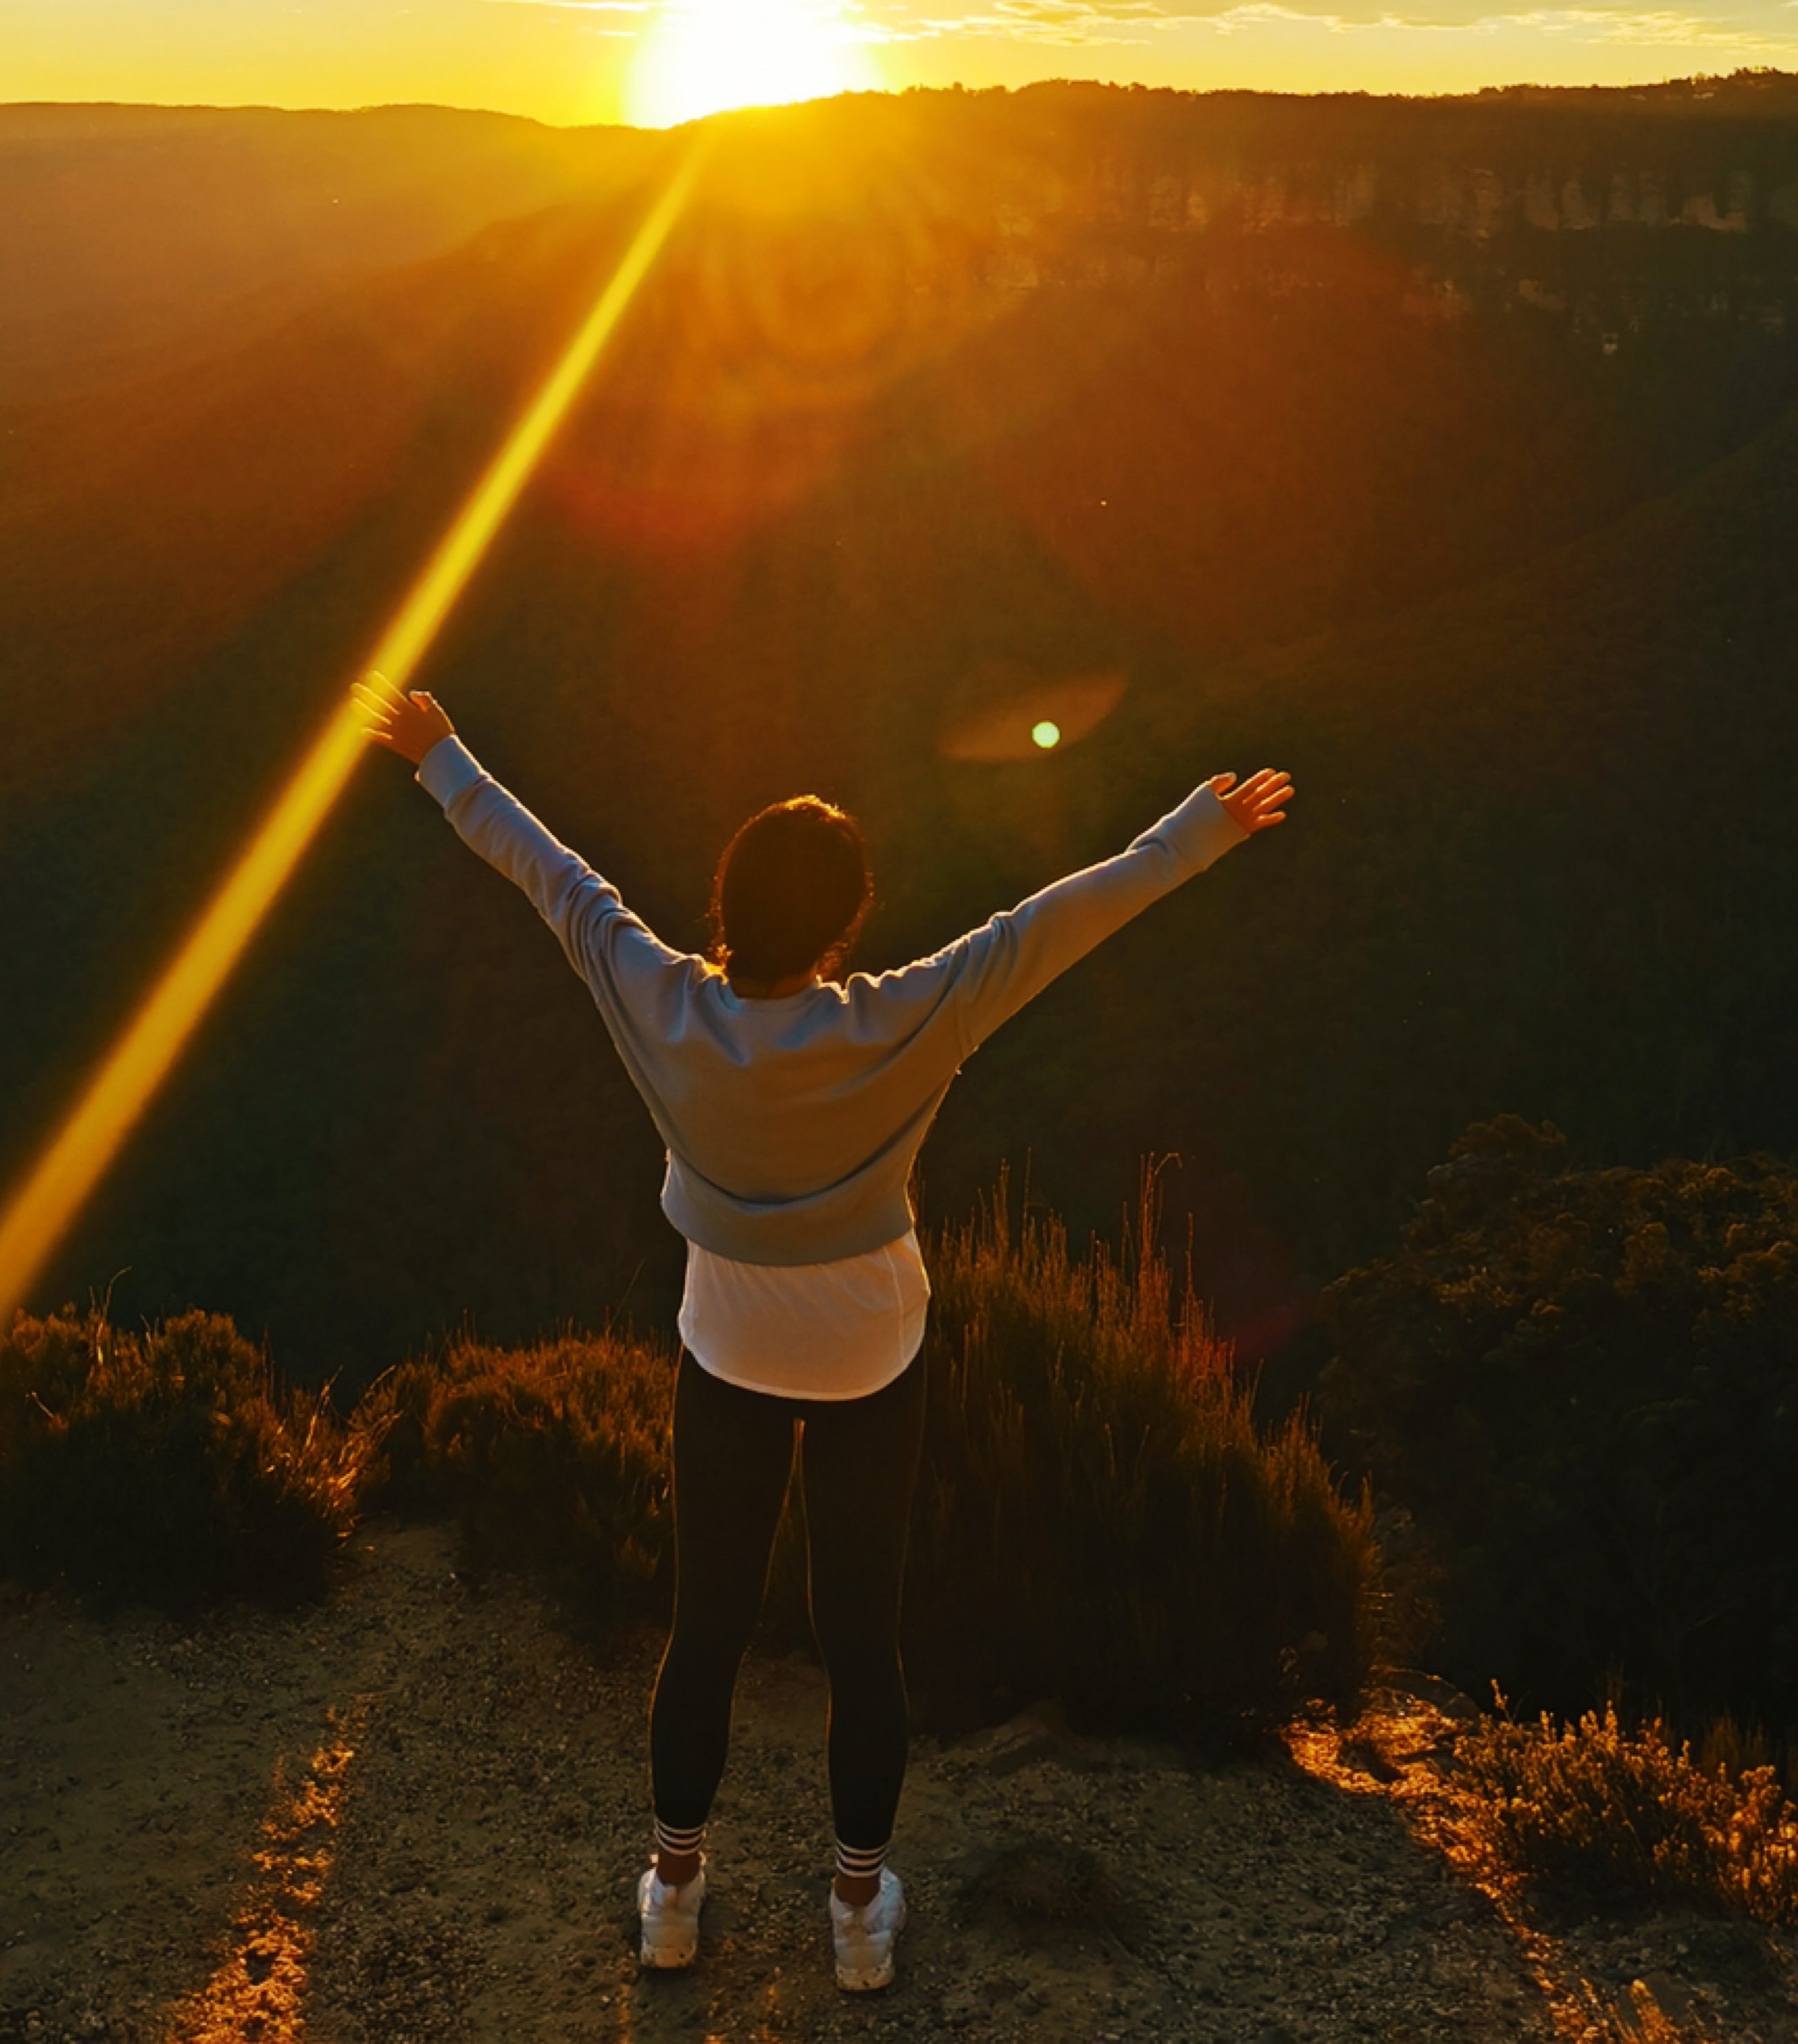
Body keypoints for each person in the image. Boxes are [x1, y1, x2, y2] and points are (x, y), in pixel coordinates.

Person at [354, 667, 1292, 1995]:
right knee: (863, 1641)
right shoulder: (907, 1014)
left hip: (726, 1348)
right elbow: (1053, 923)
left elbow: (554, 879)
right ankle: (857, 1917)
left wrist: (441, 755)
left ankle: (673, 1895)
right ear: (848, 921)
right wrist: (1193, 832)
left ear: (724, 907)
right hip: (868, 1354)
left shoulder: (659, 1002)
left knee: (707, 1632)